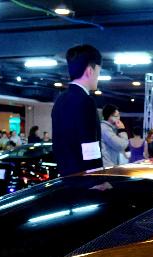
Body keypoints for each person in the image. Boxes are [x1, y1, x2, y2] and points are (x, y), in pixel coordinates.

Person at [51, 44, 103, 176]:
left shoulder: (60, 100)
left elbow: (57, 145)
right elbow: (90, 145)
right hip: (85, 179)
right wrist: (97, 178)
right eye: (98, 72)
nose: (98, 76)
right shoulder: (86, 101)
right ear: (90, 71)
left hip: (66, 175)